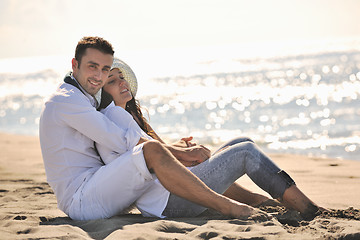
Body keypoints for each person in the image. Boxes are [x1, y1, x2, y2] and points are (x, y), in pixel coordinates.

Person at [40, 36, 274, 221]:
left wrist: (176, 150)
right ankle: (229, 207)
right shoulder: (66, 100)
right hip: (82, 199)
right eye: (93, 67)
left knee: (161, 152)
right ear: (75, 64)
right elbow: (119, 140)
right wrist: (180, 153)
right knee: (151, 151)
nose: (99, 76)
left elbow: (125, 141)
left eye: (105, 69)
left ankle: (256, 200)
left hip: (101, 185)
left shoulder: (85, 98)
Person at [95, 58, 322, 220]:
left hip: (172, 193)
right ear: (102, 92)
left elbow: (153, 154)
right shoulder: (113, 116)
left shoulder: (126, 116)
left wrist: (181, 149)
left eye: (121, 77)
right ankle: (306, 206)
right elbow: (147, 158)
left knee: (241, 141)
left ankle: (262, 200)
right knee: (245, 152)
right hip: (171, 201)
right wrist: (183, 153)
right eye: (112, 81)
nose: (122, 82)